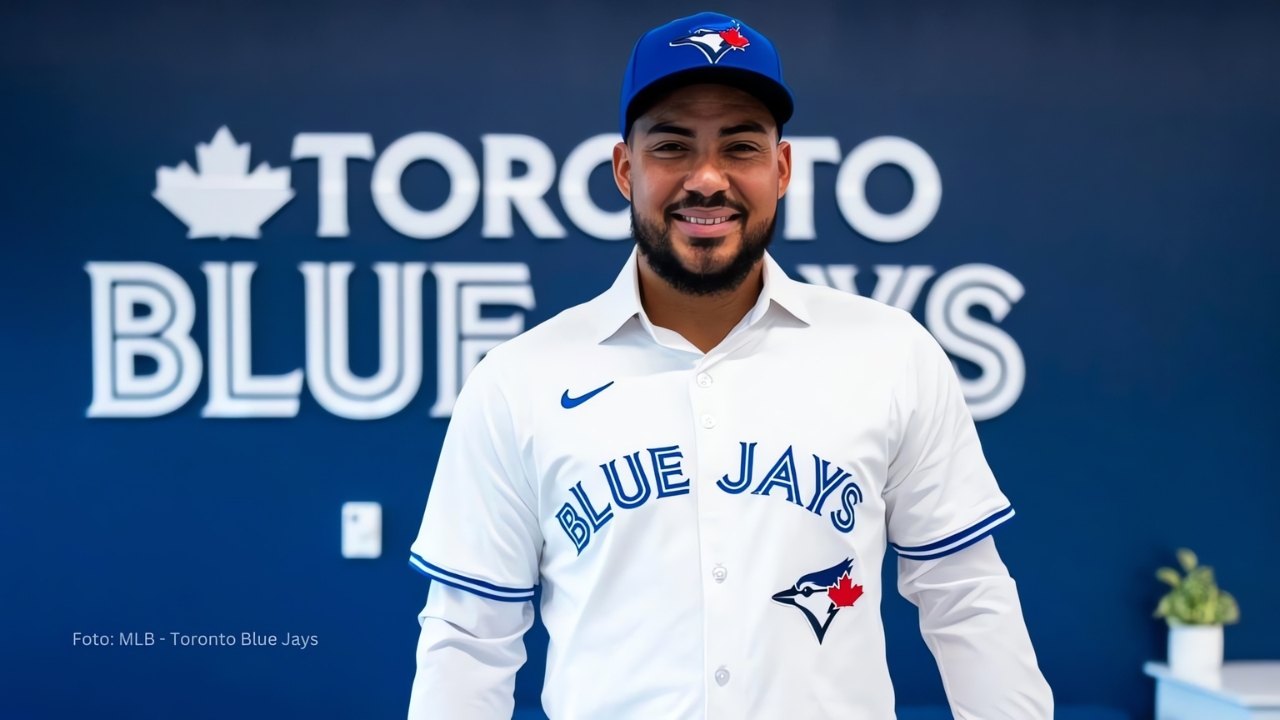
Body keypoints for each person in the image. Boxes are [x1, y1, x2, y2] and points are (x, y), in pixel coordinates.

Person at [408, 11, 1053, 719]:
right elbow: (469, 639)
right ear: (626, 170)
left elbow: (966, 598)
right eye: (673, 147)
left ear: (780, 169)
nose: (707, 179)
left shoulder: (889, 352)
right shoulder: (519, 380)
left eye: (740, 146)